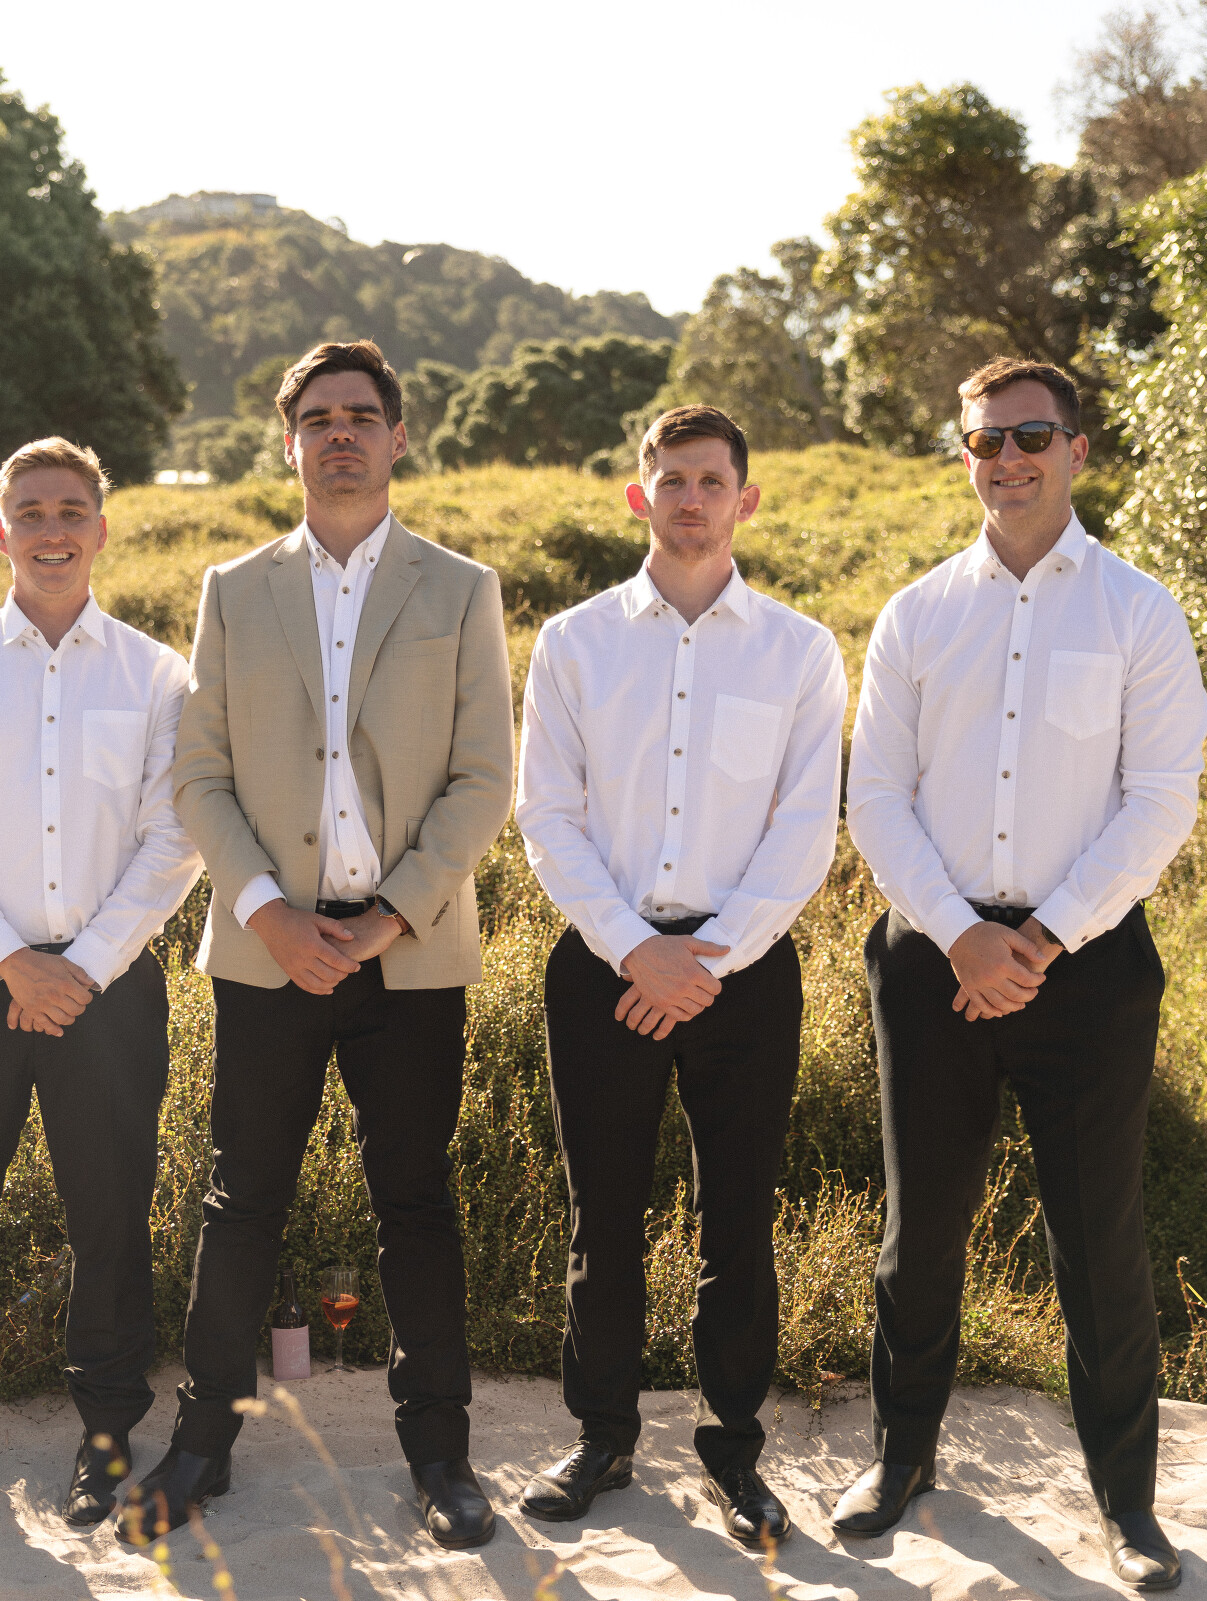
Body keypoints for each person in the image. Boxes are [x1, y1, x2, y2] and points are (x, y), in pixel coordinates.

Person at [124, 339, 516, 1551]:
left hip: (411, 953)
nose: (340, 432)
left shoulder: (463, 588)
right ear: (288, 441)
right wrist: (268, 911)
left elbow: (483, 779)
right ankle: (201, 1444)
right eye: (318, 417)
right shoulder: (232, 589)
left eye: (361, 414)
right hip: (269, 952)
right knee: (241, 1197)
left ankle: (440, 1454)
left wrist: (388, 915)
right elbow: (200, 772)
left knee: (418, 1201)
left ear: (398, 436)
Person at [837, 358, 1207, 1592]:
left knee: (1099, 1238)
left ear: (1077, 450)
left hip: (1088, 966)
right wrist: (960, 934)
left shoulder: (1139, 611)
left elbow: (1161, 798)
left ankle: (1128, 1504)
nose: (1006, 459)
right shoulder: (916, 614)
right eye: (984, 441)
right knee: (921, 1228)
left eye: (1030, 436)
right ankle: (902, 1459)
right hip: (933, 958)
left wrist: (1042, 937)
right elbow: (875, 795)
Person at [513, 406, 846, 1545]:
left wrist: (710, 959)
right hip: (605, 961)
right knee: (601, 1213)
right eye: (672, 479)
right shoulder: (574, 642)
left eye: (712, 481)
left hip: (743, 970)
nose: (692, 498)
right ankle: (602, 1437)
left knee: (736, 1215)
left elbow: (805, 826)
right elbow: (547, 815)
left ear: (746, 498)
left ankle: (734, 1450)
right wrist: (634, 948)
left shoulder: (800, 649)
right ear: (638, 494)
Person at [0, 438, 201, 1526]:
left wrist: (83, 967)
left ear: (102, 528)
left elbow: (174, 838)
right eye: (30, 511)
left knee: (111, 1217)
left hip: (111, 987)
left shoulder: (157, 676)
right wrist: (12, 962)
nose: (51, 530)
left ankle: (105, 1434)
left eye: (70, 510)